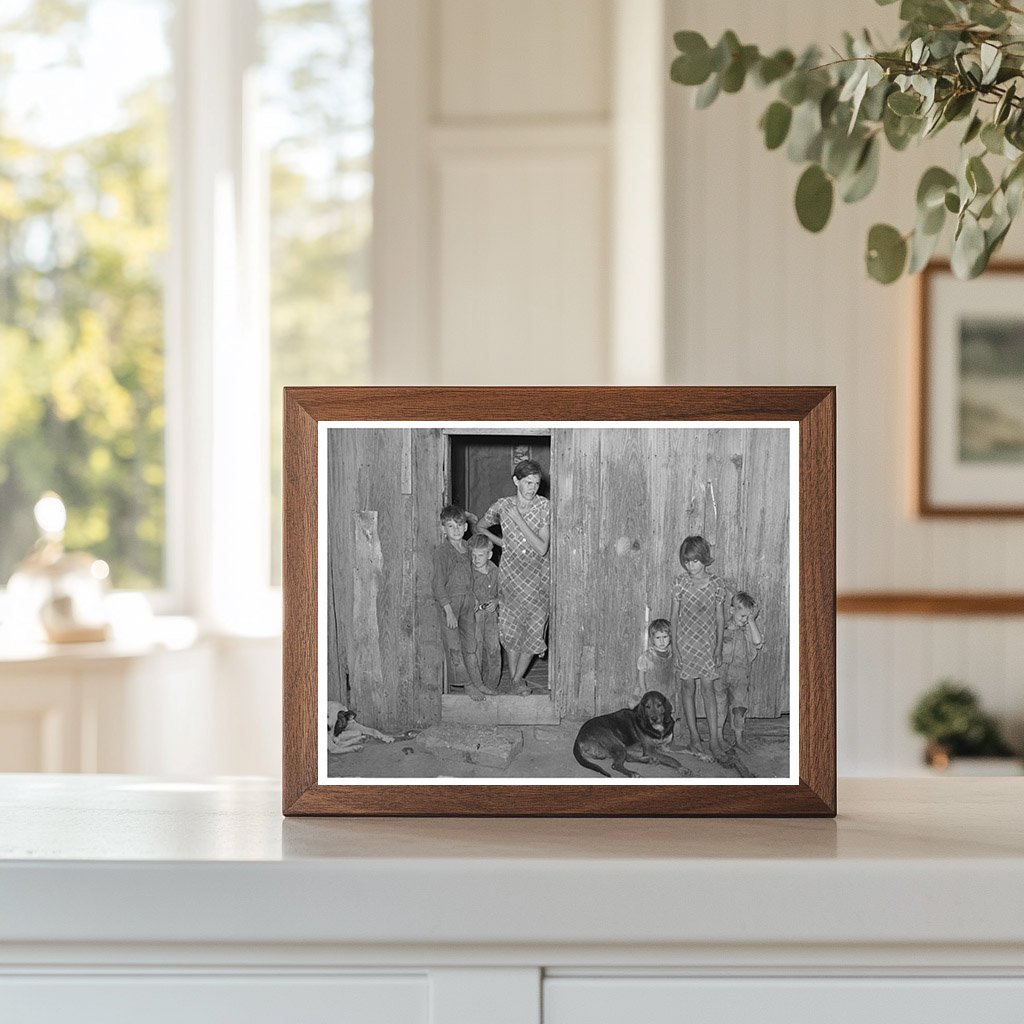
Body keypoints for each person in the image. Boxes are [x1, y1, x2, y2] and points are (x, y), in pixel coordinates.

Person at [474, 459, 550, 694]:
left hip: (538, 577)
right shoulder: (502, 505)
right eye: (528, 482)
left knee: (534, 628)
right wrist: (502, 543)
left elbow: (541, 548)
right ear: (516, 481)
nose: (532, 488)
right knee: (511, 628)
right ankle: (516, 682)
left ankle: (516, 679)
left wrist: (519, 520)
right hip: (511, 576)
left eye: (536, 483)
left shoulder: (544, 506)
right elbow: (479, 527)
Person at [670, 534, 727, 760]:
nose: (690, 565)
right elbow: (673, 617)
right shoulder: (679, 583)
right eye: (686, 561)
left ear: (704, 559)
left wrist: (719, 647)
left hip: (707, 644)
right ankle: (694, 736)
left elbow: (721, 618)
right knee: (687, 688)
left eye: (694, 560)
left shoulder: (716, 584)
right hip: (685, 643)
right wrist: (675, 648)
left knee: (708, 689)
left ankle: (713, 740)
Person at [431, 505, 487, 700]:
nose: (455, 530)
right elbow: (438, 584)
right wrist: (448, 611)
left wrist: (477, 599)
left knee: (470, 644)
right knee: (454, 646)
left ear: (465, 527)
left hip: (468, 601)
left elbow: (475, 573)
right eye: (450, 526)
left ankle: (477, 681)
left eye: (459, 525)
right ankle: (467, 684)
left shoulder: (467, 547)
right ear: (443, 529)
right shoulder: (442, 552)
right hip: (451, 604)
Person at [716, 590, 764, 750]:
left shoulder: (748, 629)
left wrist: (751, 622)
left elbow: (757, 641)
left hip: (740, 675)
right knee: (720, 706)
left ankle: (739, 738)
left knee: (739, 707)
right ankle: (718, 737)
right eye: (742, 616)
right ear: (731, 611)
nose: (744, 620)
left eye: (748, 616)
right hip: (720, 673)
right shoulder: (722, 626)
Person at [467, 533, 501, 694]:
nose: (476, 559)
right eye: (473, 555)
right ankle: (477, 683)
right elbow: (463, 589)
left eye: (480, 555)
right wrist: (471, 599)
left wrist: (495, 602)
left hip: (491, 616)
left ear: (489, 554)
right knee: (476, 648)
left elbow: (503, 592)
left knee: (493, 648)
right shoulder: (468, 572)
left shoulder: (495, 571)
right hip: (475, 616)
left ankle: (492, 684)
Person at [634, 618, 674, 700]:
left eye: (665, 637)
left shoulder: (672, 655)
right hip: (650, 693)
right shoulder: (647, 656)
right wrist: (644, 691)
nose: (662, 641)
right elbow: (641, 674)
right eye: (658, 638)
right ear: (652, 639)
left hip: (667, 693)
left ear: (670, 637)